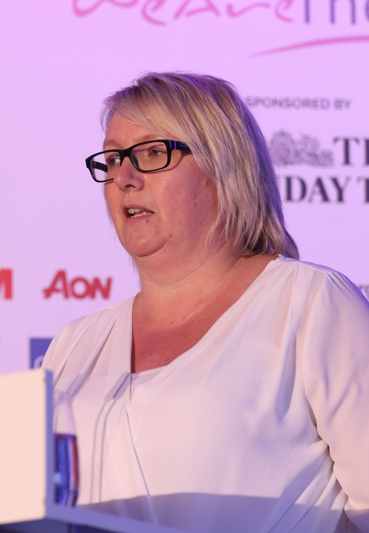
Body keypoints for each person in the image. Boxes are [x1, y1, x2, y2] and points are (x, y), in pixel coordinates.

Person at [43, 73, 369, 532]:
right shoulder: (75, 344)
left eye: (152, 153)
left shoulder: (311, 304)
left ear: (223, 167)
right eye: (113, 158)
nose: (124, 178)